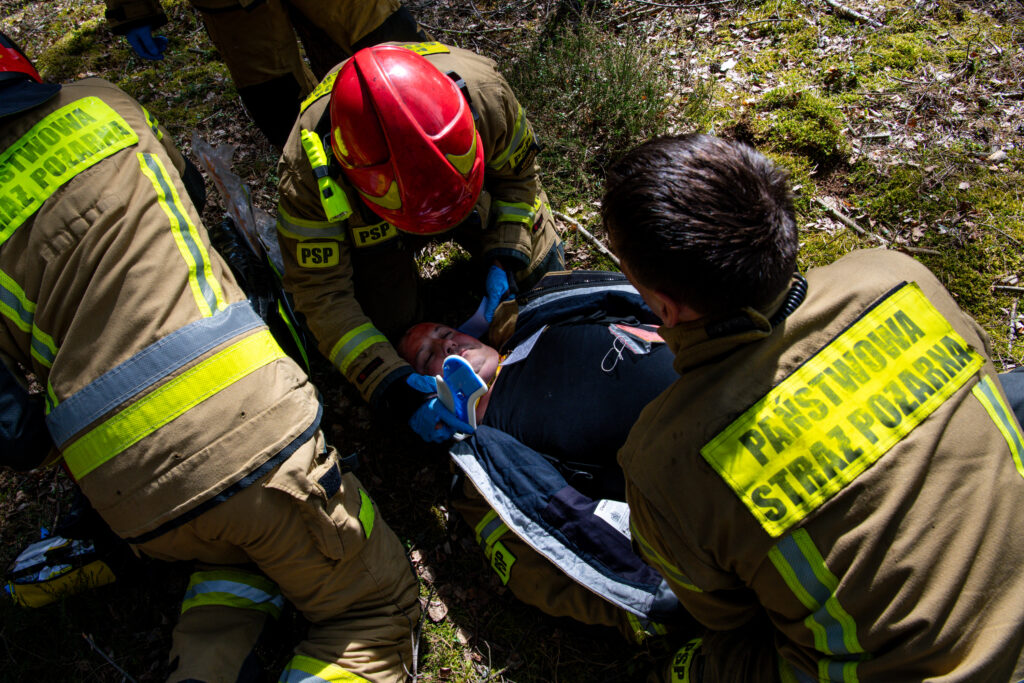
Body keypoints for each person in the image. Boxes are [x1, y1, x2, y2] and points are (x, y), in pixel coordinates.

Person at [0, 34, 419, 682]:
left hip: (129, 500)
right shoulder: (101, 104)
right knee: (375, 608)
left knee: (233, 548)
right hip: (251, 432)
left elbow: (19, 436)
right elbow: (190, 195)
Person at [602, 134, 1024, 681]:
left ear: (665, 307)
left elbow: (726, 616)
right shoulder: (896, 274)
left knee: (705, 661)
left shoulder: (663, 460)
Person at [276, 41, 565, 444]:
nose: (447, 346)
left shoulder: (486, 96)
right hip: (373, 235)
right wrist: (390, 385)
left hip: (472, 201)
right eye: (435, 353)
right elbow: (322, 295)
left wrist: (507, 251)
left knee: (538, 269)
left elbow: (518, 178)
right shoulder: (310, 180)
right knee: (388, 325)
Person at [398, 271, 691, 648]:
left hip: (741, 374)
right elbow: (541, 561)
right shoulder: (492, 457)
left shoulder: (539, 319)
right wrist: (651, 608)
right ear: (428, 391)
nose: (446, 346)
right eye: (427, 358)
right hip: (707, 471)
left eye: (443, 332)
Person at [104, 0, 428, 148]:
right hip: (232, 8)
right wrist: (133, 9)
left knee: (398, 47)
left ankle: (452, 147)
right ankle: (351, 200)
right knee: (283, 108)